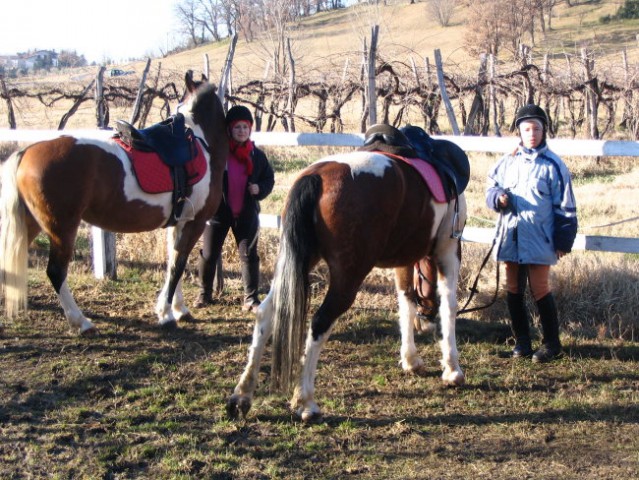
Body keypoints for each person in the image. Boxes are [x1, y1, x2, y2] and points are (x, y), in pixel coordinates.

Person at [485, 104, 578, 363]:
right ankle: (522, 343)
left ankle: (551, 344)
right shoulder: (507, 161)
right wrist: (497, 198)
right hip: (511, 236)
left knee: (540, 289)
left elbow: (566, 205)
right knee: (512, 288)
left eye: (537, 128)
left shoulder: (554, 165)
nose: (532, 133)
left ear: (544, 130)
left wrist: (563, 240)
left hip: (540, 238)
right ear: (519, 132)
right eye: (527, 129)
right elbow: (490, 187)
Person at [196, 105, 274, 312]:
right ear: (229, 129)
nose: (241, 130)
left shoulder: (257, 155)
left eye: (245, 127)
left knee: (248, 255)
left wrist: (260, 188)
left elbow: (269, 179)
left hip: (246, 215)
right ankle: (204, 294)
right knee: (209, 254)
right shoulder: (218, 155)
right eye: (237, 127)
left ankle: (250, 298)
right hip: (218, 213)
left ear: (250, 129)